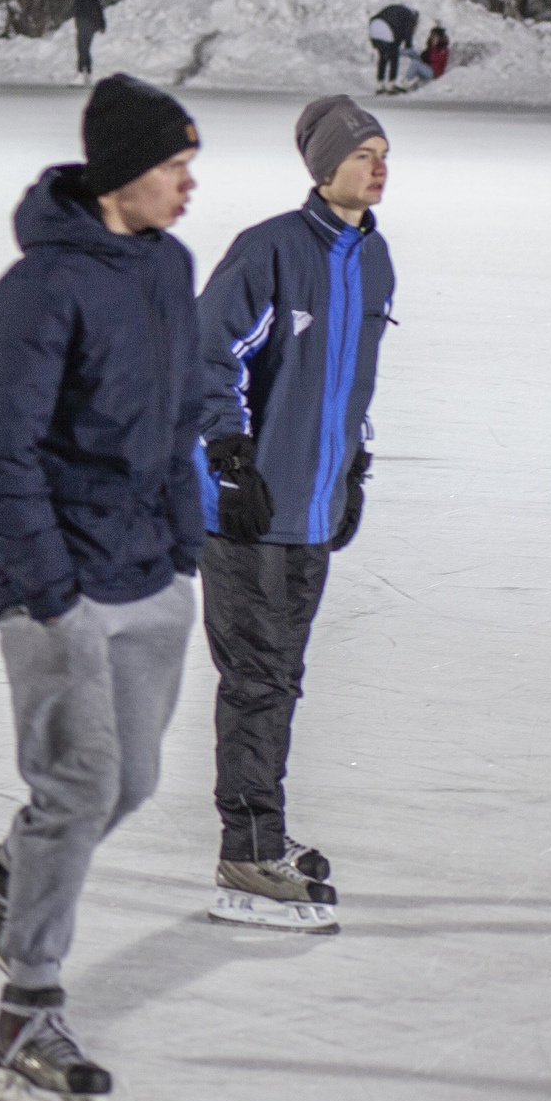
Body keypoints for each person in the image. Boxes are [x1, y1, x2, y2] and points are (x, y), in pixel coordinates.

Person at [0, 74, 205, 1101]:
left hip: (148, 571)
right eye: (173, 167)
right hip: (63, 587)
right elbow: (1, 457)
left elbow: (178, 416)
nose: (187, 185)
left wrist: (182, 539)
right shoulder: (36, 294)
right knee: (79, 785)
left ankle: (2, 876)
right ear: (124, 175)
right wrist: (38, 589)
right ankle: (28, 1011)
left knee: (127, 784)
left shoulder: (167, 267)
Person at [193, 96, 397, 936]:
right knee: (256, 681)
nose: (380, 166)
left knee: (280, 680)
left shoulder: (375, 261)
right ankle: (247, 851)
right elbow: (208, 350)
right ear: (324, 168)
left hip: (312, 509)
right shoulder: (272, 248)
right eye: (365, 154)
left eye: (386, 153)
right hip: (247, 511)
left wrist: (354, 472)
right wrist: (227, 453)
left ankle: (260, 834)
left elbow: (353, 385)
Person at [367, 3, 417, 95]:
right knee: (394, 57)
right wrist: (408, 45)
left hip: (374, 26)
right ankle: (391, 84)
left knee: (382, 57)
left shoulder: (396, 9)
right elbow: (408, 31)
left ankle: (380, 84)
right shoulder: (409, 15)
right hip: (386, 29)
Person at [72, 0, 106, 83]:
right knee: (84, 48)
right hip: (90, 23)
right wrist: (101, 24)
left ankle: (82, 72)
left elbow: (82, 8)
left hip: (85, 23)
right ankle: (87, 72)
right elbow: (98, 7)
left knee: (82, 48)